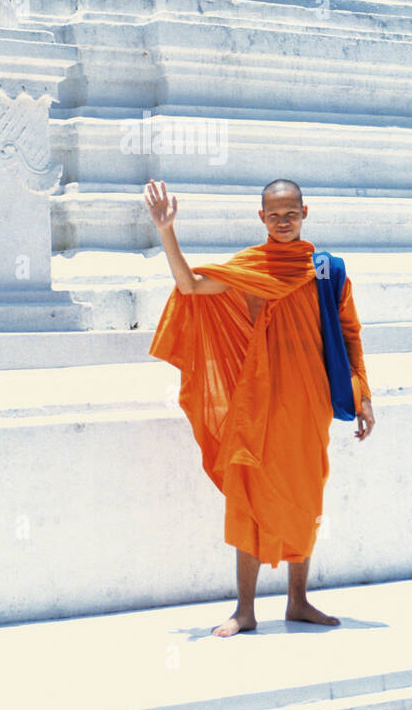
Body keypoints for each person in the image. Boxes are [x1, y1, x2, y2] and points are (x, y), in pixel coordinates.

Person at [145, 176, 375, 637]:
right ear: (261, 218)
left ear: (305, 213)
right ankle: (245, 610)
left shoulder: (327, 270)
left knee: (305, 494)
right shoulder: (250, 267)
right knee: (247, 496)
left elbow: (350, 334)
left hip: (307, 401)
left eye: (291, 213)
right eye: (274, 215)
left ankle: (298, 601)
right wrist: (166, 230)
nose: (284, 222)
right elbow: (190, 287)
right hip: (258, 401)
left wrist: (363, 394)